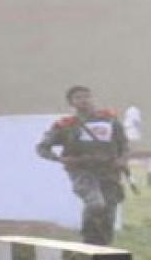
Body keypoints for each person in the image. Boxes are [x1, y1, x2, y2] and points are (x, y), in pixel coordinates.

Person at [35, 86, 129, 245]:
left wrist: (122, 160)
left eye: (87, 96)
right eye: (78, 98)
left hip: (108, 171)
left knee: (109, 210)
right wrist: (59, 159)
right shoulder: (66, 125)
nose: (84, 100)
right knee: (95, 203)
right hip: (82, 170)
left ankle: (105, 246)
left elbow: (123, 144)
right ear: (71, 103)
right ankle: (88, 240)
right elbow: (42, 147)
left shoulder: (109, 120)